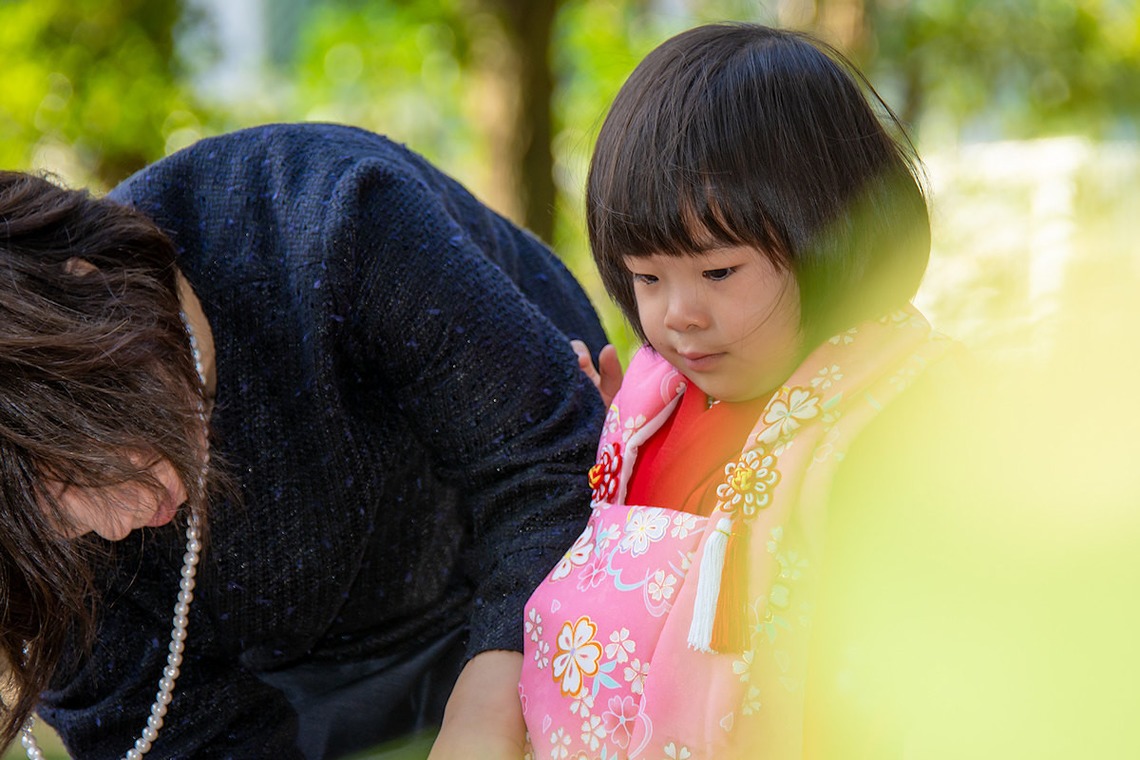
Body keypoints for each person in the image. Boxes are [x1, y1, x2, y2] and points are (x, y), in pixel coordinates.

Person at [0, 122, 609, 758]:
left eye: (80, 470)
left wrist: (488, 711)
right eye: (52, 520)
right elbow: (165, 730)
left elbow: (552, 457)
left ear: (94, 295)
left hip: (553, 562)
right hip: (294, 680)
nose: (113, 524)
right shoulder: (32, 550)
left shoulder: (329, 216)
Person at [519, 23, 964, 758]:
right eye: (647, 278)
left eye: (718, 272)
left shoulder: (901, 413)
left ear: (833, 237)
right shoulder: (648, 405)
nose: (678, 316)